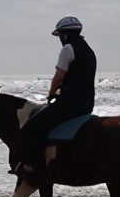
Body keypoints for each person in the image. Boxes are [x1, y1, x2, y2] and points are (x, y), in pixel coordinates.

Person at [15, 15, 97, 180]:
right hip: (87, 104)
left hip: (69, 105)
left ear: (64, 34)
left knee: (32, 127)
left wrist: (51, 94)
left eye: (59, 35)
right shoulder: (89, 50)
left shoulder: (67, 49)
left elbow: (58, 77)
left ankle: (34, 167)